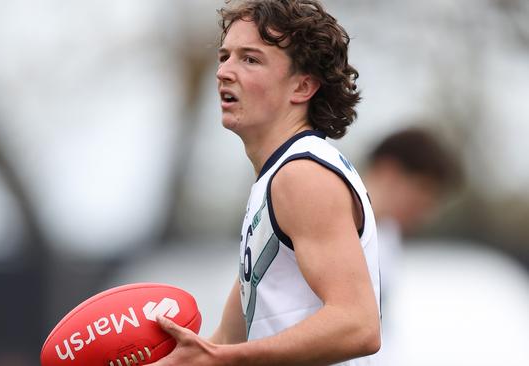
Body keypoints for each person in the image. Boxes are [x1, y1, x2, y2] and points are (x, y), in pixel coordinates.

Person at [150, 1, 381, 365]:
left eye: (250, 59)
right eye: (224, 56)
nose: (224, 71)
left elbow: (358, 324)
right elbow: (226, 341)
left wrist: (224, 358)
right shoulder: (274, 181)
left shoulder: (302, 176)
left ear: (302, 86)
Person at [362, 127, 462, 365]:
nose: (425, 213)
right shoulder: (333, 229)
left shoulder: (388, 237)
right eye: (421, 194)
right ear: (389, 171)